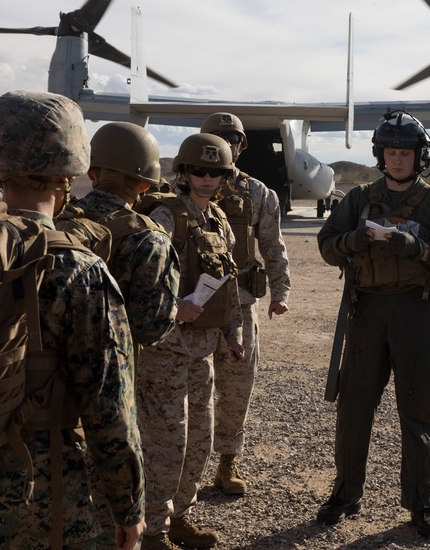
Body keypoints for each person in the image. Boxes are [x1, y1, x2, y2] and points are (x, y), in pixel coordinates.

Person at [0, 90, 146, 549]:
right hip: (41, 503)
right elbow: (109, 408)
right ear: (68, 175)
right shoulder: (77, 269)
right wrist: (128, 506)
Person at [315, 110, 430, 539]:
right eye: (390, 151)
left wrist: (418, 248)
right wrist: (351, 240)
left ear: (420, 156)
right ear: (380, 154)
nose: (397, 158)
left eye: (405, 152)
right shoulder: (358, 199)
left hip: (414, 313)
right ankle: (346, 493)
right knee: (353, 408)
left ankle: (420, 502)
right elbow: (326, 246)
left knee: (418, 410)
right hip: (365, 313)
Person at [71, 121, 181, 547]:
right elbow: (153, 329)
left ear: (91, 171)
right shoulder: (148, 239)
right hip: (107, 395)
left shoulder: (55, 222)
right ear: (144, 182)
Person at [138, 133, 245, 550]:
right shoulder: (166, 217)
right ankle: (153, 530)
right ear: (184, 171)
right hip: (164, 350)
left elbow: (227, 284)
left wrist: (233, 333)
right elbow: (141, 282)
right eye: (198, 170)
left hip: (202, 351)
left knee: (199, 440)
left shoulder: (217, 219)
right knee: (166, 444)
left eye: (215, 171)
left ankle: (179, 516)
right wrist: (173, 307)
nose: (206, 178)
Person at [199, 112, 291, 496]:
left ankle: (227, 461)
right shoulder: (178, 188)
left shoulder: (258, 193)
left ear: (241, 146)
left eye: (233, 139)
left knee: (237, 386)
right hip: (193, 306)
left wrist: (280, 292)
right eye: (218, 137)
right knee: (189, 387)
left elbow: (272, 246)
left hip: (240, 301)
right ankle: (183, 465)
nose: (227, 144)